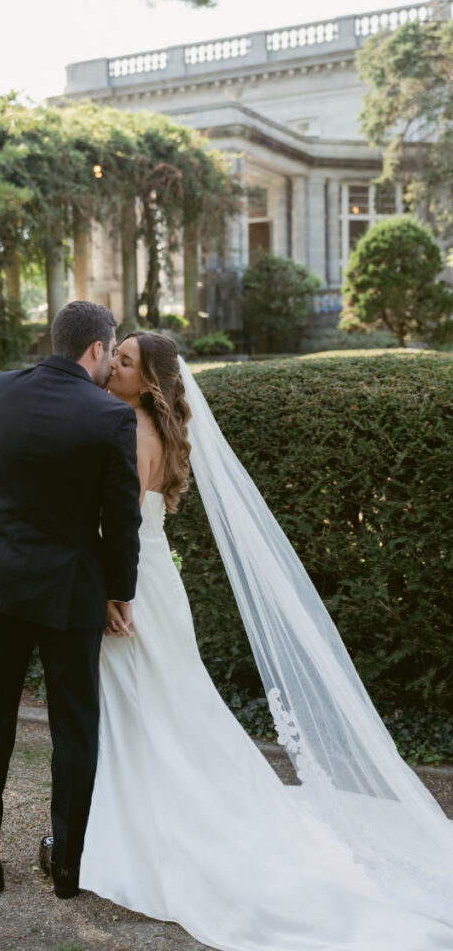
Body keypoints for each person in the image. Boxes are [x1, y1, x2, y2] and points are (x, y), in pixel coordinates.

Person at [79, 331, 453, 951]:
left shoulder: (132, 436)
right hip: (157, 582)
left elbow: (116, 526)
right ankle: (128, 814)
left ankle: (143, 827)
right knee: (170, 704)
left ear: (148, 383)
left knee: (144, 704)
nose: (112, 366)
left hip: (132, 589)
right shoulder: (155, 432)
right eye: (114, 356)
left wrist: (108, 593)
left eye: (124, 361)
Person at [0, 301, 142, 899]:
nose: (113, 362)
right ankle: (67, 867)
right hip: (68, 590)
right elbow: (123, 521)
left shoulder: (2, 389)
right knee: (75, 730)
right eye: (112, 351)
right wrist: (121, 594)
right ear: (96, 349)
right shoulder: (111, 418)